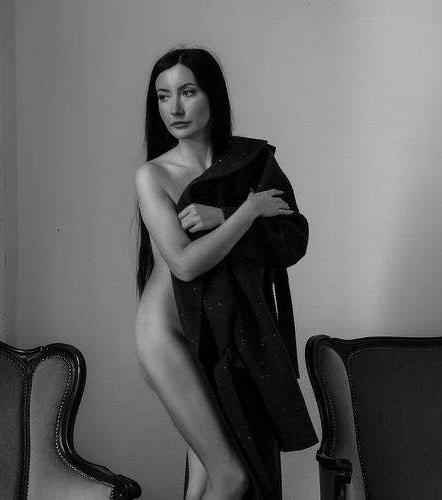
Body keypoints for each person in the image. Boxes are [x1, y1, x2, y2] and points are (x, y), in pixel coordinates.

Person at [134, 47, 317, 500]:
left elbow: (290, 239)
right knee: (230, 476)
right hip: (167, 336)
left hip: (221, 337)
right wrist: (247, 212)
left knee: (202, 480)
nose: (174, 109)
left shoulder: (251, 162)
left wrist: (225, 215)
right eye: (163, 96)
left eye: (187, 92)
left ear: (212, 95)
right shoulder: (153, 175)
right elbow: (184, 264)